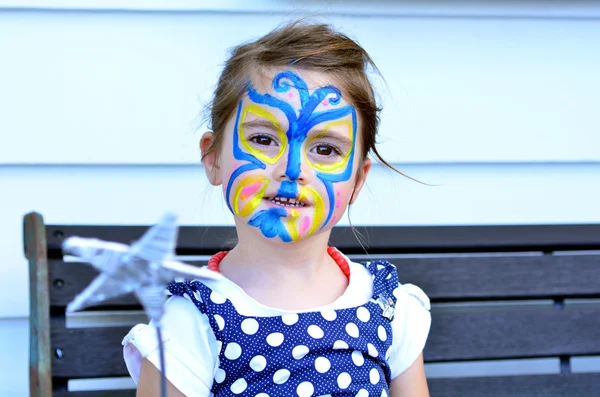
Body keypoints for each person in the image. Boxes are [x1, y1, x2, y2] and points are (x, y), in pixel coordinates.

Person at [122, 19, 432, 397]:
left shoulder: (387, 307)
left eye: (326, 149)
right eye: (264, 139)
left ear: (358, 180)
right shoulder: (189, 323)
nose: (292, 169)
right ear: (213, 157)